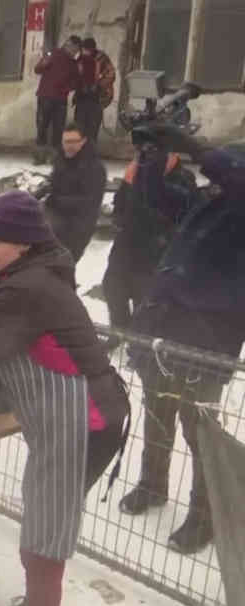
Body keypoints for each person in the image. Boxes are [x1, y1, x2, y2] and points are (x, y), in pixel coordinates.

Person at [0, 191, 128, 606]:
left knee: (46, 531)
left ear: (23, 243)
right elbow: (20, 342)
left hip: (85, 420)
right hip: (70, 418)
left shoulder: (30, 286)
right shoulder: (32, 276)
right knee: (43, 523)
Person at [117, 134, 245, 555]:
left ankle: (205, 516)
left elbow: (230, 166)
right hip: (168, 329)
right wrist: (151, 154)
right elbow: (155, 197)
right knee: (158, 411)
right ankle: (152, 484)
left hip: (209, 338)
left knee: (199, 429)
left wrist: (190, 142)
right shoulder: (208, 200)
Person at [102, 149, 196, 333]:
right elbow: (120, 203)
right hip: (126, 242)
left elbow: (180, 217)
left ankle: (138, 342)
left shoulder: (183, 179)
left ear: (174, 156)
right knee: (113, 288)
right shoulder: (138, 171)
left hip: (153, 249)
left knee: (142, 297)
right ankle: (119, 331)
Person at [37, 122, 106, 263]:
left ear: (83, 142)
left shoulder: (95, 168)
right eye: (66, 142)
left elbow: (91, 202)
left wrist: (57, 200)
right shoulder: (60, 160)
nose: (69, 146)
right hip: (55, 218)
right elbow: (53, 185)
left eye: (74, 142)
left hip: (78, 225)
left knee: (62, 265)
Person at [33, 38, 80, 165]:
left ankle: (55, 159)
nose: (74, 52)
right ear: (67, 45)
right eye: (73, 49)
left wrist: (68, 88)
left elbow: (76, 82)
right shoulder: (52, 54)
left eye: (76, 51)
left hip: (60, 99)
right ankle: (39, 157)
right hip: (45, 97)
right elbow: (37, 69)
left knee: (58, 130)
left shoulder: (73, 63)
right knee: (42, 127)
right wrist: (44, 63)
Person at [74, 38, 115, 144]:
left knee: (92, 129)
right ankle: (79, 154)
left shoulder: (101, 58)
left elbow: (111, 75)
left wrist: (98, 86)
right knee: (79, 128)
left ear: (92, 49)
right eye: (83, 49)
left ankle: (89, 154)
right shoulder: (80, 58)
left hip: (97, 99)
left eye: (86, 49)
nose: (84, 52)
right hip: (81, 98)